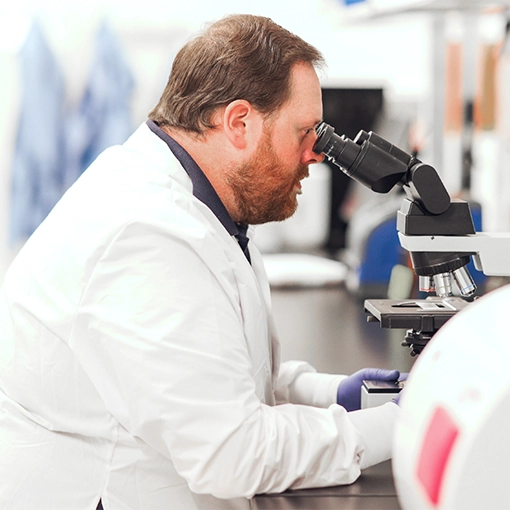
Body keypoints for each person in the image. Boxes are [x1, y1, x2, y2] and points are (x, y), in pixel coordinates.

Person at [0, 14, 403, 510]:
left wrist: (333, 394)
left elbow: (216, 371)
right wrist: (399, 425)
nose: (315, 155)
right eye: (306, 133)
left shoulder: (191, 200)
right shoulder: (147, 234)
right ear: (238, 123)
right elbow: (233, 452)